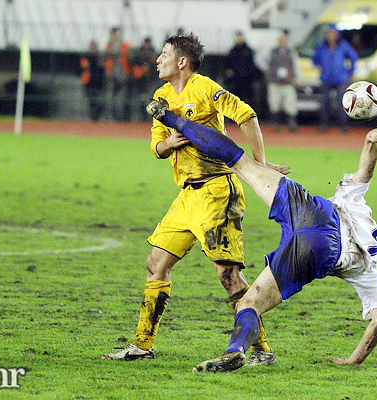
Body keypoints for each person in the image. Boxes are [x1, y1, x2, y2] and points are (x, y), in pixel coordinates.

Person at [144, 97, 377, 372]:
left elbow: (365, 172)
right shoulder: (370, 272)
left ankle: (169, 118)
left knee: (239, 162)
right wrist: (353, 359)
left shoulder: (355, 201)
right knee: (248, 304)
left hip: (312, 211)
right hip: (319, 253)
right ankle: (235, 350)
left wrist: (371, 141)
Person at [101, 32, 278, 365]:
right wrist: (171, 143)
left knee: (228, 276)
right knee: (156, 263)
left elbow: (247, 115)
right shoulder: (161, 96)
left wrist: (261, 165)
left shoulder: (205, 87)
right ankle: (142, 345)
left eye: (164, 54)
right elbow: (156, 147)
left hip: (217, 190)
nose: (158, 59)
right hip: (187, 196)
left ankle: (261, 349)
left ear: (181, 61)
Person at [312, 25, 359, 132]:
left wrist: (350, 72)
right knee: (324, 102)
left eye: (333, 34)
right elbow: (315, 58)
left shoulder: (343, 46)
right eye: (329, 33)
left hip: (340, 78)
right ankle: (324, 124)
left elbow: (354, 57)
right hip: (326, 78)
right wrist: (318, 65)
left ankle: (343, 124)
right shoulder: (322, 46)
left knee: (342, 102)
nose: (331, 36)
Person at [266, 30, 300, 132]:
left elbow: (296, 65)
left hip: (288, 82)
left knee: (290, 103)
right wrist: (270, 72)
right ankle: (276, 124)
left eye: (284, 40)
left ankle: (291, 123)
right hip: (274, 82)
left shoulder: (291, 52)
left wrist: (297, 78)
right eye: (280, 39)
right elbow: (262, 61)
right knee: (274, 103)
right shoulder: (272, 51)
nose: (282, 41)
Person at [224, 31, 261, 106]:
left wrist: (248, 74)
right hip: (235, 80)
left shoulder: (248, 51)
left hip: (247, 80)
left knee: (247, 100)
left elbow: (252, 65)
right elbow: (228, 65)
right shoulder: (232, 51)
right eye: (237, 37)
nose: (238, 39)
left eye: (240, 37)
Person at [104, 27, 131, 121]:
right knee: (111, 99)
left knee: (122, 98)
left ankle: (122, 118)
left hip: (122, 74)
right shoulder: (109, 45)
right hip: (112, 75)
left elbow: (126, 55)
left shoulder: (124, 45)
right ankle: (112, 118)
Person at [80, 40, 106, 121]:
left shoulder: (99, 57)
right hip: (89, 83)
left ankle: (95, 118)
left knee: (99, 102)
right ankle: (93, 119)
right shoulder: (86, 56)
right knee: (91, 102)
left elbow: (102, 67)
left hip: (98, 83)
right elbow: (84, 67)